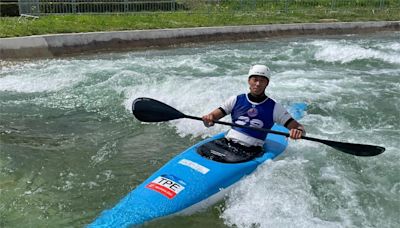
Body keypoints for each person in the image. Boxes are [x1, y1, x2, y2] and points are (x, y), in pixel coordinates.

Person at [202, 64, 305, 155]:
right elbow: (212, 118)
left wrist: (298, 131)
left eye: (262, 80)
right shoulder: (235, 100)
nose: (258, 84)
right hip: (227, 143)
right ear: (249, 81)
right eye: (255, 79)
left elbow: (300, 128)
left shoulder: (275, 107)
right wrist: (208, 120)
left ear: (267, 84)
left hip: (251, 150)